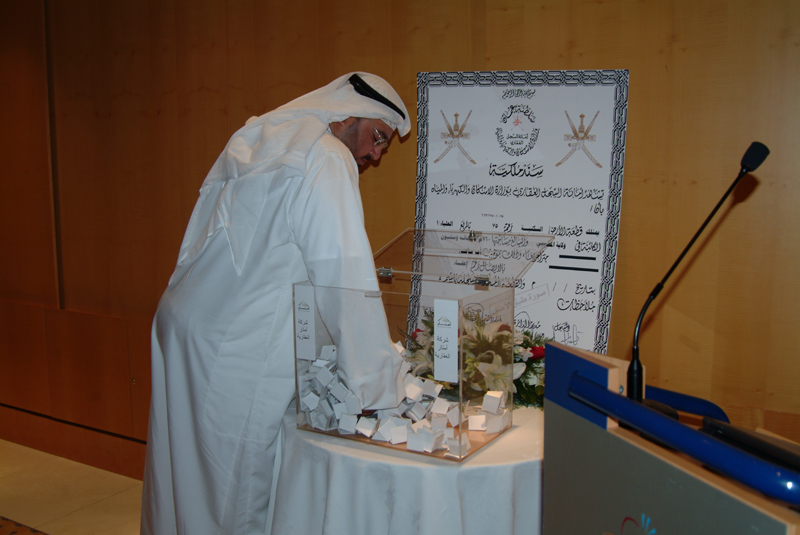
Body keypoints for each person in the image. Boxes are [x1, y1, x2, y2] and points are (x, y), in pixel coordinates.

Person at [141, 72, 411, 535]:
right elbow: (342, 275)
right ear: (348, 114)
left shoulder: (263, 136)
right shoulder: (325, 156)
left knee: (177, 470)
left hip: (183, 325)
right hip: (235, 348)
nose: (375, 154)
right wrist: (377, 384)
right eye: (378, 137)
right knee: (229, 491)